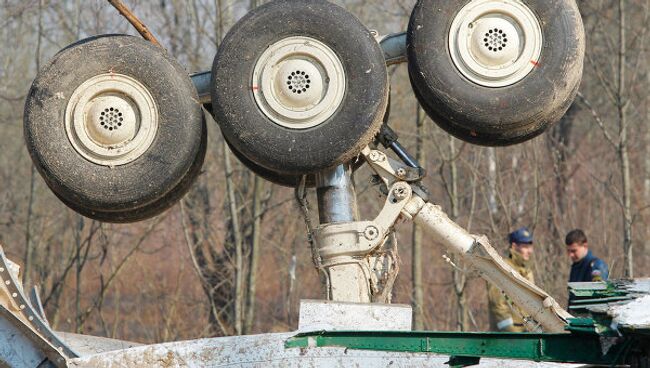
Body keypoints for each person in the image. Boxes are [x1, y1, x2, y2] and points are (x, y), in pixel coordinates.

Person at [488, 227, 535, 332]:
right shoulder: (503, 269)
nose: (530, 251)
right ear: (514, 246)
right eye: (525, 247)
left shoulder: (528, 271)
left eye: (530, 247)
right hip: (508, 337)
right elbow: (498, 305)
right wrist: (511, 333)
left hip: (527, 332)